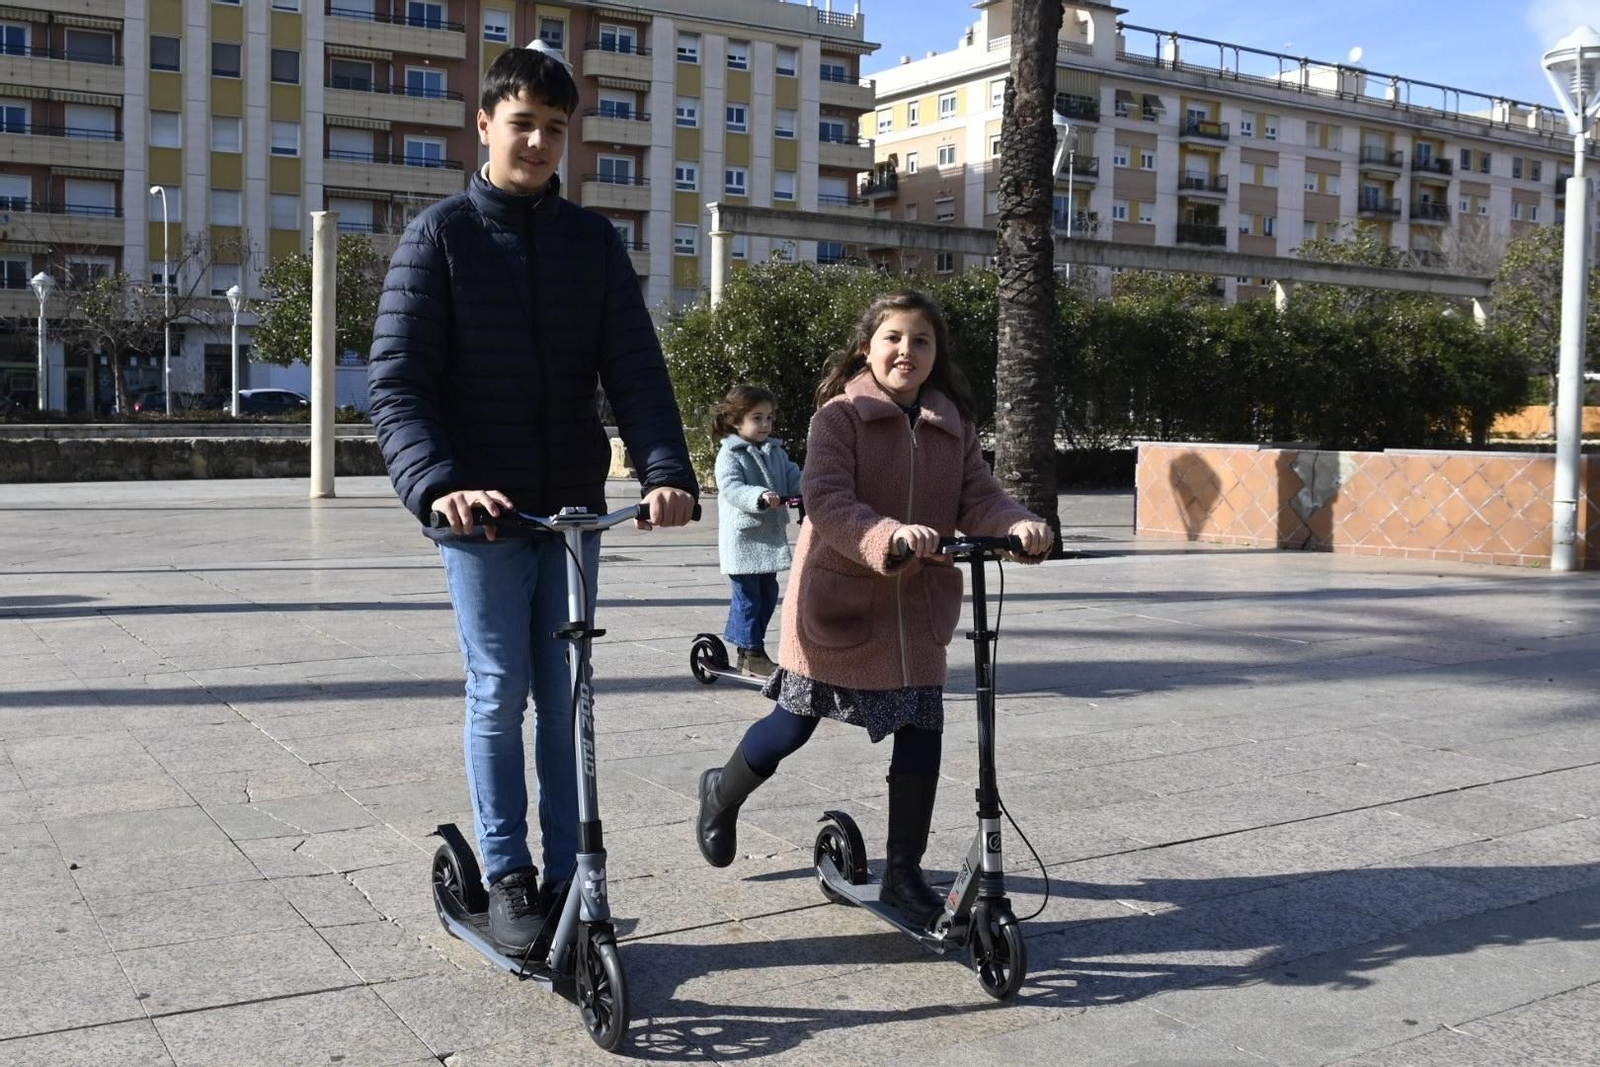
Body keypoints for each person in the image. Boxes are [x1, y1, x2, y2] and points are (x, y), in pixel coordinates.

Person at [367, 41, 697, 955]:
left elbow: (635, 369)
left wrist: (666, 470)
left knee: (568, 692)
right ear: (483, 126)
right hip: (480, 516)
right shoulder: (439, 237)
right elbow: (396, 386)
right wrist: (440, 485)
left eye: (557, 129)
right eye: (524, 125)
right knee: (501, 685)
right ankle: (509, 871)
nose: (541, 142)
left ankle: (570, 873)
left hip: (570, 511)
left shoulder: (591, 243)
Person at [693, 289, 1052, 927]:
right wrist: (887, 536)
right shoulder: (840, 417)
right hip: (843, 600)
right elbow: (825, 498)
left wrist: (1020, 524)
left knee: (922, 728)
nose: (905, 351)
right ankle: (721, 794)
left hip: (916, 610)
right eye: (893, 338)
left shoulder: (952, 424)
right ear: (868, 346)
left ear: (936, 355)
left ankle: (905, 874)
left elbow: (978, 496)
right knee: (792, 725)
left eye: (921, 341)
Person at [710, 384, 804, 677]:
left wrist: (808, 492)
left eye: (769, 418)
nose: (765, 424)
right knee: (749, 598)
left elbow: (793, 477)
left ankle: (748, 649)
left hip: (767, 539)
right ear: (737, 421)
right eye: (757, 418)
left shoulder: (775, 452)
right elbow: (732, 488)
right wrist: (760, 496)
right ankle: (751, 653)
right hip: (742, 540)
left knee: (767, 594)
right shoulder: (730, 454)